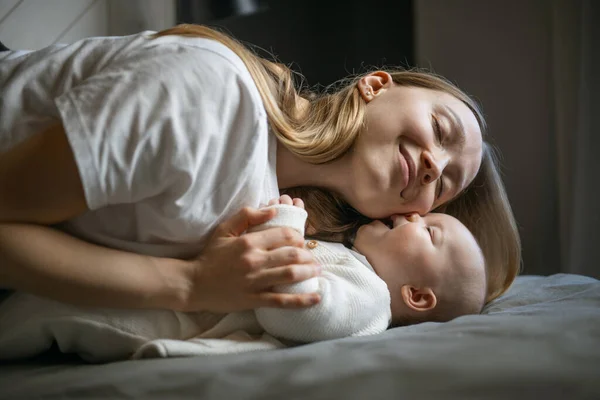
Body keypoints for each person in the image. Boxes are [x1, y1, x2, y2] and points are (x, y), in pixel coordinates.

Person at [0, 24, 520, 316]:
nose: (435, 165)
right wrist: (190, 284)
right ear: (376, 85)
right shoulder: (208, 95)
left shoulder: (282, 224)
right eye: (442, 128)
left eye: (446, 183)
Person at [0, 195, 486, 361]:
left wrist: (285, 227)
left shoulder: (371, 304)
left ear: (417, 296)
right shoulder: (354, 262)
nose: (418, 215)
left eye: (431, 231)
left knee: (38, 313)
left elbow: (297, 310)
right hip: (159, 287)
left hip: (157, 317)